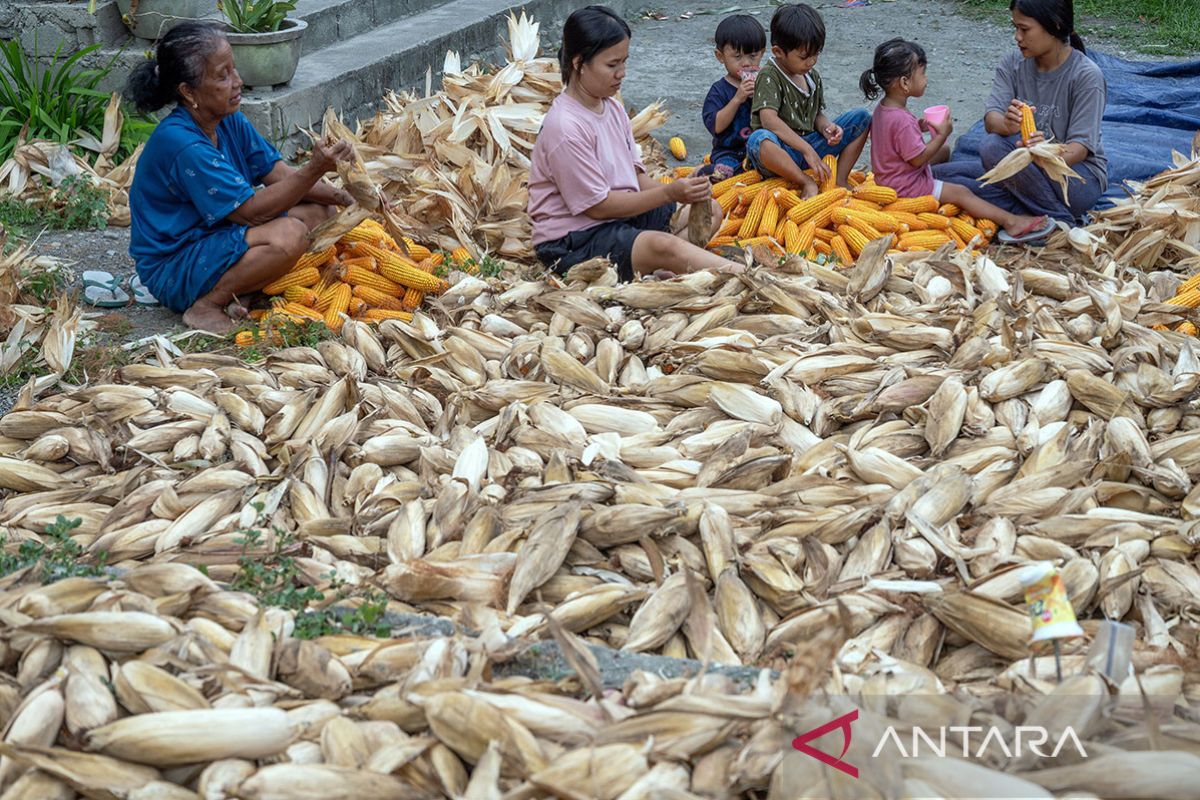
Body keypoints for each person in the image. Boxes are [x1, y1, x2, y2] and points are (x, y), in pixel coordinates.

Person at [125, 21, 355, 333]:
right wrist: (314, 167)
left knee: (320, 212)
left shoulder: (225, 119)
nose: (238, 82)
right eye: (223, 76)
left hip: (218, 234)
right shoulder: (183, 144)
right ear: (188, 92)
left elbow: (279, 175)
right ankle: (206, 305)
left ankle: (243, 293)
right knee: (289, 236)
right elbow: (251, 212)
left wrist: (348, 197)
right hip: (176, 263)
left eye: (234, 70)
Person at [933, 0, 1107, 230]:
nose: (1017, 37)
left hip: (1074, 180)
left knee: (992, 148)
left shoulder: (1086, 76)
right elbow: (991, 119)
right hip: (1022, 172)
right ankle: (1026, 212)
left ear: (1054, 25)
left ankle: (1058, 220)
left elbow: (1080, 148)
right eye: (1015, 27)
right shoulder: (1012, 63)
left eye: (1024, 29)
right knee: (934, 177)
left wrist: (1045, 153)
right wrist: (1006, 125)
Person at [860, 38, 1052, 241]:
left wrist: (919, 126)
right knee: (961, 192)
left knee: (943, 152)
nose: (926, 79)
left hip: (888, 178)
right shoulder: (900, 119)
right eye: (923, 74)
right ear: (905, 83)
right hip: (906, 186)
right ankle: (1011, 222)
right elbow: (917, 159)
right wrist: (943, 133)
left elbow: (892, 140)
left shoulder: (884, 109)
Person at [746, 3, 871, 198]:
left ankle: (839, 180)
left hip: (810, 147)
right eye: (804, 56)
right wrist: (805, 150)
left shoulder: (812, 76)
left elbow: (815, 114)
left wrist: (826, 127)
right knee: (758, 140)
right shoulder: (769, 76)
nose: (811, 61)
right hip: (781, 152)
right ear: (778, 52)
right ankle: (806, 182)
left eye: (816, 54)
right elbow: (769, 120)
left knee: (862, 118)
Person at [699, 14, 766, 180]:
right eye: (737, 57)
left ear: (762, 53)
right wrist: (738, 98)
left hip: (761, 149)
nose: (745, 63)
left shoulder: (767, 83)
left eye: (752, 56)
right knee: (724, 172)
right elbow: (716, 126)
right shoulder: (719, 91)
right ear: (720, 57)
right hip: (729, 152)